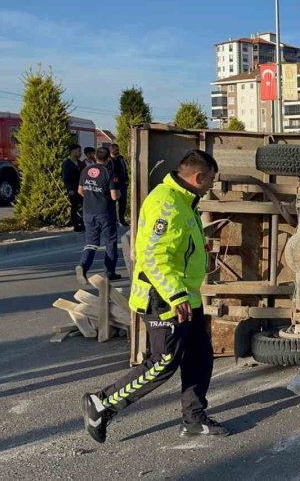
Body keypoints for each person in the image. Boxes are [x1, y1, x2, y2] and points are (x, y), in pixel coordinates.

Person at [81, 150, 227, 444]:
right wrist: (175, 295)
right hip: (163, 297)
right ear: (198, 177)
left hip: (186, 297)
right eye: (211, 179)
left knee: (200, 356)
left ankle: (194, 418)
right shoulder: (166, 203)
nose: (213, 184)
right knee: (163, 363)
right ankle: (101, 403)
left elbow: (177, 249)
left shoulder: (184, 200)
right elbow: (153, 255)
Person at [75, 147, 121, 283]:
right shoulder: (108, 172)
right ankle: (109, 272)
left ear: (95, 157)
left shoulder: (85, 171)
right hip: (105, 212)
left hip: (88, 212)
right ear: (108, 159)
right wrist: (119, 194)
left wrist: (91, 197)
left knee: (91, 243)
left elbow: (80, 191)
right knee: (110, 242)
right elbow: (114, 196)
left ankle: (83, 266)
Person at [62, 144, 85, 232]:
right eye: (79, 151)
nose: (80, 153)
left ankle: (83, 223)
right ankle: (77, 225)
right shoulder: (67, 163)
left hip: (82, 189)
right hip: (73, 189)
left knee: (83, 207)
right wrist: (70, 189)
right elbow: (66, 178)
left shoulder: (80, 163)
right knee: (75, 207)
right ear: (73, 151)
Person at [108, 143, 129, 226]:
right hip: (113, 185)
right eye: (116, 149)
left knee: (123, 203)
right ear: (111, 150)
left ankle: (122, 220)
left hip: (122, 185)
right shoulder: (109, 160)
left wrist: (127, 179)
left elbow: (125, 169)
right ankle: (114, 221)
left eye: (118, 149)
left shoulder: (121, 159)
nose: (118, 151)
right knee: (112, 203)